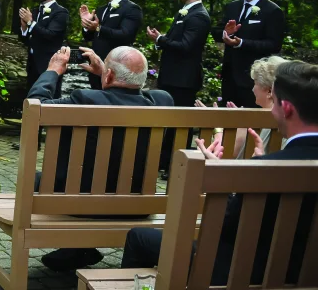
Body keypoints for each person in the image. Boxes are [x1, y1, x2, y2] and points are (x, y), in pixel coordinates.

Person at [121, 61, 318, 286]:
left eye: (276, 103)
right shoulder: (266, 167)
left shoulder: (263, 171)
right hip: (307, 276)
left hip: (240, 274)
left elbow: (224, 228)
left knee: (139, 237)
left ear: (288, 108)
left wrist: (222, 177)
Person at [28, 45, 174, 272]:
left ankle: (75, 249)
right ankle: (75, 251)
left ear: (110, 74)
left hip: (78, 204)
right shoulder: (163, 102)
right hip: (138, 205)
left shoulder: (83, 99)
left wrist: (53, 71)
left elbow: (35, 107)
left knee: (38, 179)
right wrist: (106, 73)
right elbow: (127, 94)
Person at [147, 0, 211, 176]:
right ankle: (164, 162)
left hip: (184, 79)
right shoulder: (185, 12)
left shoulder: (199, 15)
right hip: (172, 77)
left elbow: (186, 46)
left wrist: (160, 40)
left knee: (181, 125)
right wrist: (161, 39)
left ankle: (175, 165)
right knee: (170, 122)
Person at [211, 0, 287, 107]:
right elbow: (215, 31)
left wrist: (242, 43)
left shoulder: (272, 11)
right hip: (230, 77)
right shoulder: (232, 7)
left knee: (250, 122)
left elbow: (274, 45)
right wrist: (226, 33)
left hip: (254, 80)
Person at [196, 55, 289, 159]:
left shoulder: (260, 121)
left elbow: (225, 153)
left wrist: (217, 124)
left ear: (269, 91)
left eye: (255, 83)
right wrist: (241, 120)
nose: (253, 89)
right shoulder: (288, 117)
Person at [80, 0, 143, 89]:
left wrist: (99, 28)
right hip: (96, 67)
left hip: (117, 69)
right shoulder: (101, 9)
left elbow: (126, 35)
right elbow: (89, 37)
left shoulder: (132, 8)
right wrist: (87, 24)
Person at [19, 0, 69, 96]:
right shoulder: (34, 11)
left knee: (50, 98)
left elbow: (50, 35)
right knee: (31, 97)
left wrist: (31, 23)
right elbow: (26, 40)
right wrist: (24, 28)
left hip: (50, 64)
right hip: (32, 63)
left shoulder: (61, 12)